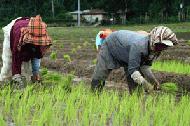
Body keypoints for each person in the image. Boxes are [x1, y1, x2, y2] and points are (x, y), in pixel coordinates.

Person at [91, 26, 178, 93]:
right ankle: (94, 96)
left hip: (127, 52)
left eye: (165, 46)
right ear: (155, 40)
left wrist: (154, 82)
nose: (162, 48)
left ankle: (136, 99)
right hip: (111, 45)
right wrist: (146, 85)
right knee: (100, 74)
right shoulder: (139, 46)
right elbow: (133, 71)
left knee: (135, 85)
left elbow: (145, 67)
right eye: (161, 45)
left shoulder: (155, 50)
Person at [0, 15, 52, 88]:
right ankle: (3, 82)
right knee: (8, 64)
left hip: (27, 30)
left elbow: (37, 57)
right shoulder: (20, 39)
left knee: (28, 68)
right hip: (12, 31)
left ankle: (29, 85)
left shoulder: (40, 36)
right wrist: (17, 75)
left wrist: (36, 74)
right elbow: (16, 58)